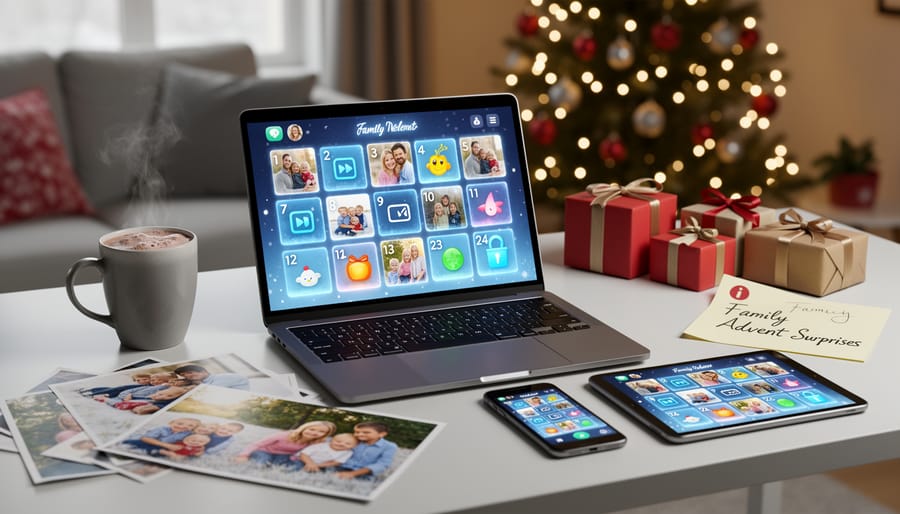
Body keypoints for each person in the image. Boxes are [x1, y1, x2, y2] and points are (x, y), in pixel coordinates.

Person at [234, 420, 336, 467]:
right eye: (312, 429)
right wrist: (243, 455)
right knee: (261, 463)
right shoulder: (285, 435)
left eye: (321, 432)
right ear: (305, 428)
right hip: (264, 451)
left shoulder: (316, 442)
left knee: (290, 467)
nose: (315, 433)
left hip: (284, 456)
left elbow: (307, 454)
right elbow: (257, 444)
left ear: (325, 434)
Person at [122, 417, 201, 455]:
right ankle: (140, 449)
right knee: (134, 442)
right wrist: (167, 445)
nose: (183, 426)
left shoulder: (188, 433)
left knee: (178, 450)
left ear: (193, 429)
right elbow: (145, 438)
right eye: (180, 423)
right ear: (171, 423)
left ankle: (156, 452)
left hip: (165, 446)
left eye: (190, 426)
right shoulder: (162, 429)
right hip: (146, 441)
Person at [292, 433, 358, 472]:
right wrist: (310, 463)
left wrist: (317, 465)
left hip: (321, 464)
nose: (341, 444)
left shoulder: (348, 452)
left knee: (330, 470)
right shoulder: (321, 445)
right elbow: (303, 454)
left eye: (348, 444)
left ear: (353, 446)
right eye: (338, 441)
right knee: (296, 467)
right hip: (302, 459)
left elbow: (336, 462)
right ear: (331, 440)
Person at [173, 364, 249, 390]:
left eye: (190, 372)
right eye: (183, 375)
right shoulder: (202, 382)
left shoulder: (225, 377)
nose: (187, 376)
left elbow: (212, 391)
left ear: (204, 371)